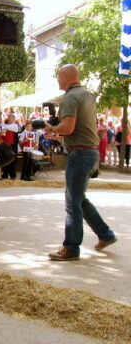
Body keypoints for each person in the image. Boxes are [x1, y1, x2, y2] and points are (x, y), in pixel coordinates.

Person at [44, 64, 117, 261]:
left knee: (72, 203)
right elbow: (79, 128)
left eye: (59, 77)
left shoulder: (69, 97)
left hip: (80, 155)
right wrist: (57, 133)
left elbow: (67, 128)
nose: (58, 80)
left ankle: (71, 248)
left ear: (67, 77)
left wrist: (51, 128)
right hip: (90, 153)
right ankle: (106, 235)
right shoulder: (88, 95)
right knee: (79, 199)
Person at [1, 113, 19, 180]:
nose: (9, 118)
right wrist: (4, 127)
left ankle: (12, 175)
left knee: (12, 160)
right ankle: (5, 175)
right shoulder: (4, 125)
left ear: (14, 119)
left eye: (11, 117)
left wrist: (4, 127)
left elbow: (6, 128)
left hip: (12, 145)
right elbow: (2, 128)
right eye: (8, 117)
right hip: (5, 145)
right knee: (5, 159)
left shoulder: (15, 125)